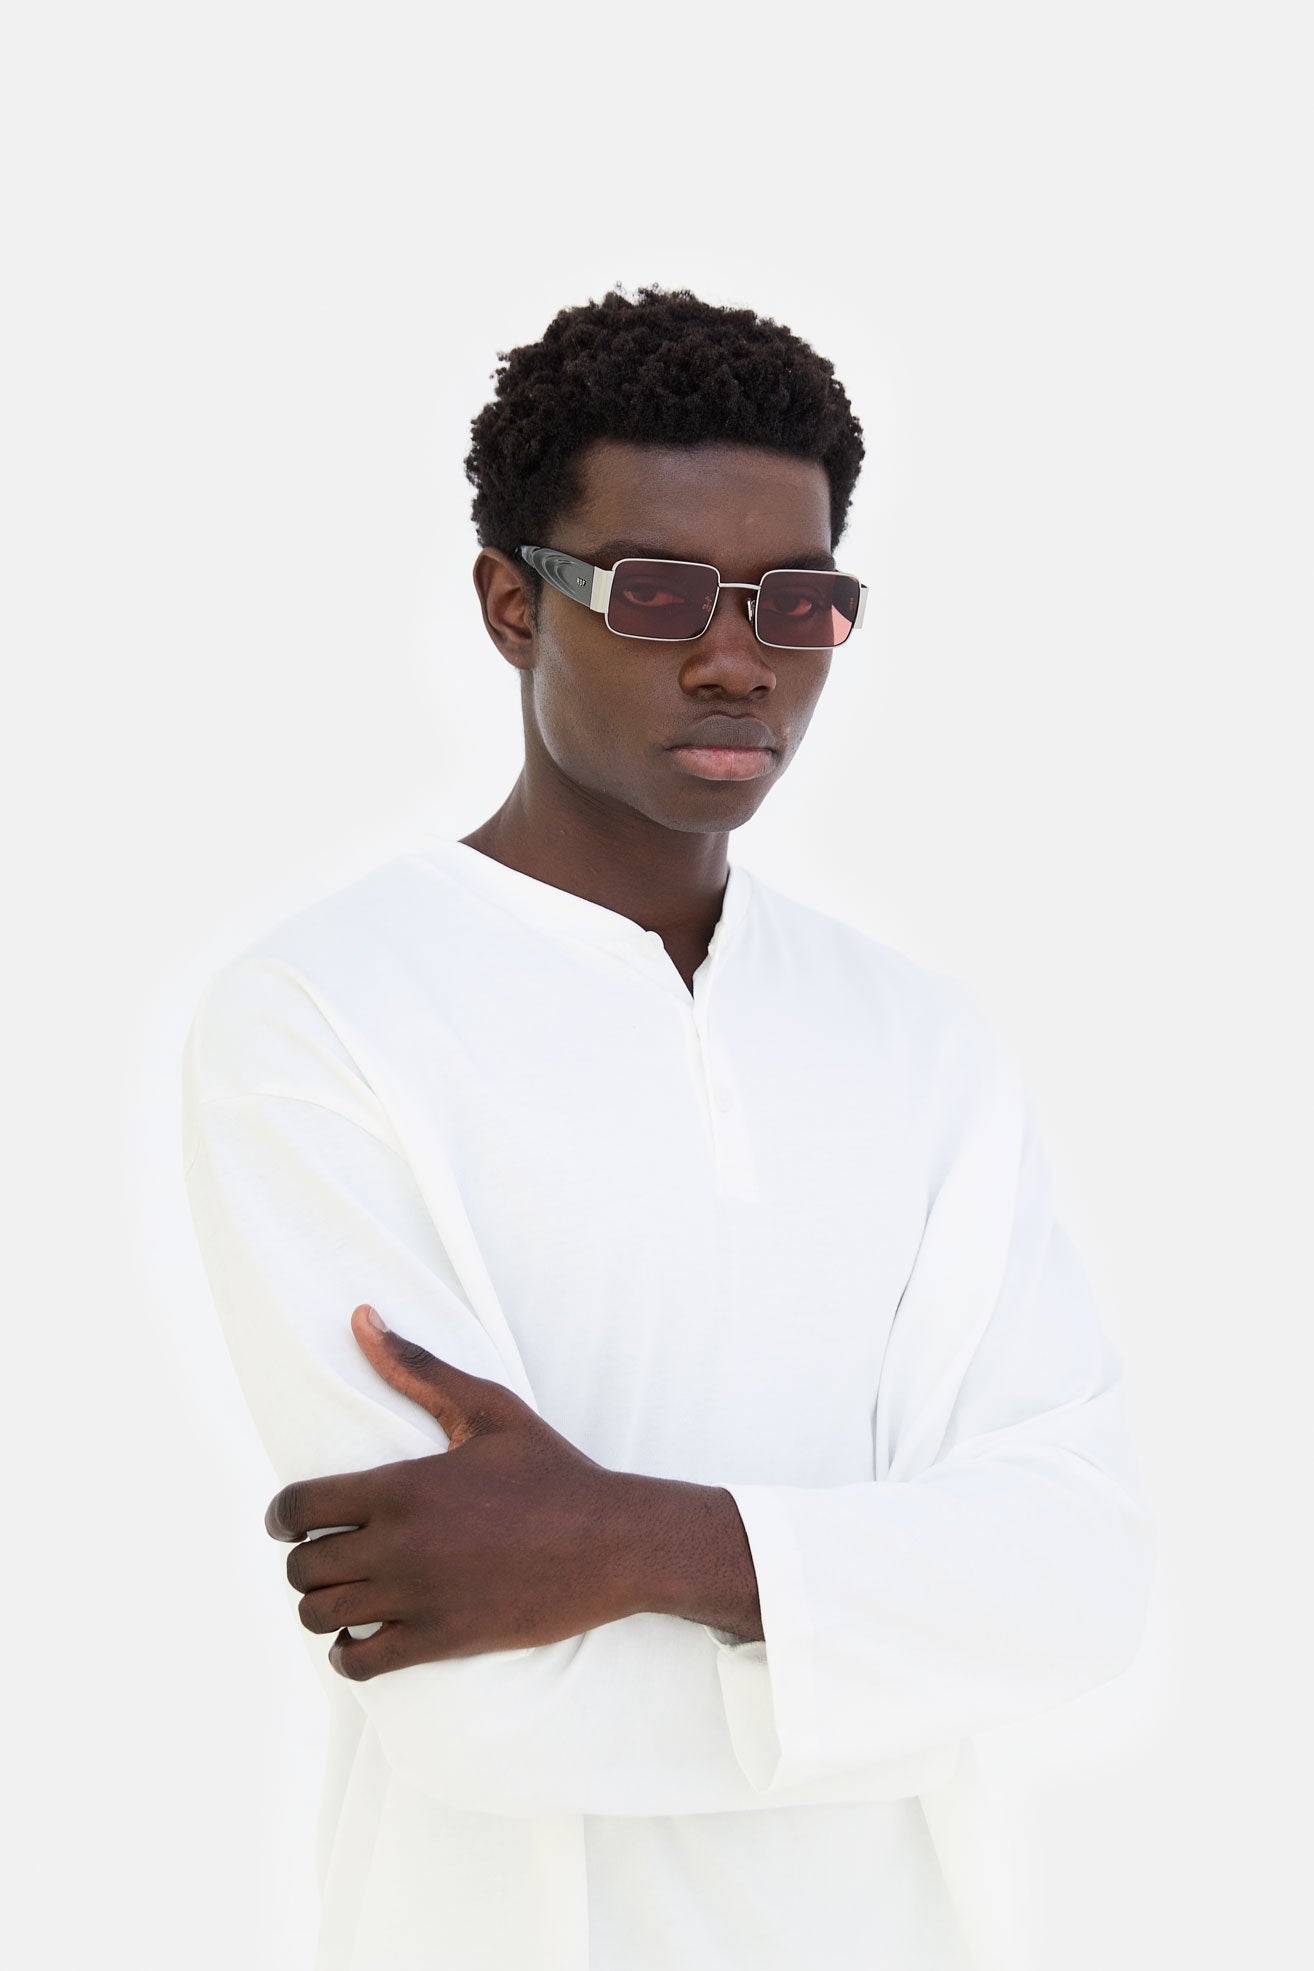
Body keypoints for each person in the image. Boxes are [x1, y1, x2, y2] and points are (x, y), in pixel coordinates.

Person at [180, 285, 1156, 1971]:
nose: (735, 658)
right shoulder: (323, 1017)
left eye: (797, 600)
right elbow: (479, 1712)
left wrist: (635, 1544)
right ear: (511, 605)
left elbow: (1080, 1582)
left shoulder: (917, 1039)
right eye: (655, 594)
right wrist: (895, 1651)